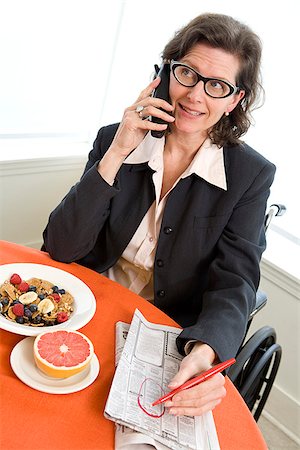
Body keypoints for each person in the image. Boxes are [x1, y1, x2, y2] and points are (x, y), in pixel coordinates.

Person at [43, 13, 276, 417]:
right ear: (166, 71)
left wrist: (207, 351)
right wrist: (117, 152)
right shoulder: (115, 138)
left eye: (217, 85)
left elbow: (235, 282)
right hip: (90, 309)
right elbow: (61, 247)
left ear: (235, 100)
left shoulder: (249, 175)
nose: (195, 96)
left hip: (167, 334)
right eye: (187, 73)